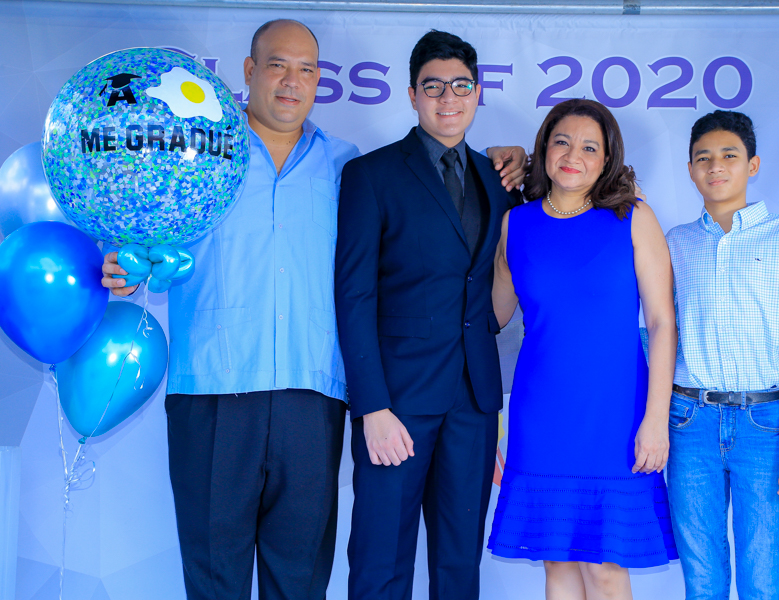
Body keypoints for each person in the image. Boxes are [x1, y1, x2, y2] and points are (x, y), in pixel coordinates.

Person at [99, 19, 525, 600]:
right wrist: (123, 269)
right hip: (216, 388)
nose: (291, 81)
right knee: (215, 574)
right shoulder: (196, 156)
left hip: (312, 396)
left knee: (301, 578)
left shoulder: (344, 163)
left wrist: (512, 159)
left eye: (306, 69)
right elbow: (143, 242)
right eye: (278, 65)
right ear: (249, 71)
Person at [334, 30, 522, 600]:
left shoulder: (498, 179)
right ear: (413, 94)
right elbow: (354, 295)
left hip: (473, 401)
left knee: (459, 563)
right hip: (397, 403)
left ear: (477, 93)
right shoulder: (371, 175)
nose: (448, 98)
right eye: (433, 86)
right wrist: (372, 407)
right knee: (380, 561)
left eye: (461, 86)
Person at [487, 99, 678, 600]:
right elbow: (492, 316)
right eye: (562, 142)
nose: (574, 155)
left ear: (608, 158)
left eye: (590, 147)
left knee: (606, 568)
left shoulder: (633, 217)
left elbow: (662, 323)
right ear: (543, 149)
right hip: (541, 413)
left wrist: (656, 419)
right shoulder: (516, 224)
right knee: (558, 561)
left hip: (616, 415)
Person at [665, 110, 779, 600]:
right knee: (702, 576)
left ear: (752, 165)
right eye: (703, 158)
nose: (715, 166)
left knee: (763, 576)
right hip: (689, 423)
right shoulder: (676, 243)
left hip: (765, 427)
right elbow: (656, 334)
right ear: (690, 170)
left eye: (729, 155)